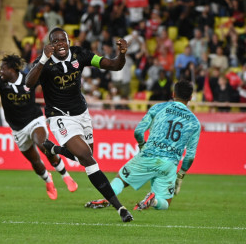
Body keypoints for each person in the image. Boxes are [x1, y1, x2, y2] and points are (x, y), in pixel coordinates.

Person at [25, 27, 133, 222]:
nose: (60, 44)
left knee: (85, 157)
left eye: (63, 40)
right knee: (87, 158)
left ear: (68, 41)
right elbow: (28, 83)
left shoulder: (80, 54)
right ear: (50, 44)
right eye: (55, 41)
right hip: (59, 116)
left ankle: (53, 148)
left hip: (82, 113)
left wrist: (122, 54)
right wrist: (42, 59)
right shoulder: (45, 62)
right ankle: (120, 208)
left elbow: (114, 66)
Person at [0, 54, 78, 200]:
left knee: (43, 145)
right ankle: (48, 181)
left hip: (34, 120)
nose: (0, 71)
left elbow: (47, 76)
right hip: (18, 129)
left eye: (2, 68)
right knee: (35, 161)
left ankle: (65, 176)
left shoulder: (28, 79)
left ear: (12, 69)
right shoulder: (0, 83)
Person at [82, 80, 201, 211]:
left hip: (148, 155)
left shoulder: (158, 108)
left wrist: (142, 145)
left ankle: (108, 198)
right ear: (190, 98)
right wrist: (180, 175)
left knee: (121, 178)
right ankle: (154, 201)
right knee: (165, 203)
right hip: (169, 164)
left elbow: (138, 131)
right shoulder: (194, 122)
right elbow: (190, 156)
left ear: (173, 94)